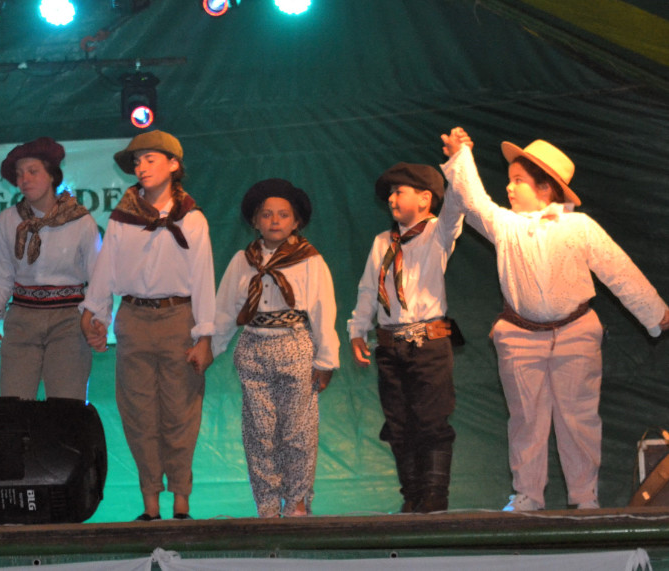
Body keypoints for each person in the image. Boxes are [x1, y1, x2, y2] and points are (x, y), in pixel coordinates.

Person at [441, 127, 669, 511]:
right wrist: (460, 155)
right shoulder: (506, 225)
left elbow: (618, 270)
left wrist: (656, 312)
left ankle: (584, 498)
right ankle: (528, 495)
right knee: (525, 419)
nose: (509, 187)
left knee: (578, 417)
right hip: (519, 334)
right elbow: (475, 201)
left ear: (546, 188)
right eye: (510, 180)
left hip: (575, 331)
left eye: (518, 180)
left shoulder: (579, 227)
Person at [80, 130, 216, 522]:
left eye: (150, 159)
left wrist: (204, 336)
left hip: (179, 319)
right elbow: (106, 269)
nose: (141, 167)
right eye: (137, 162)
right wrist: (95, 313)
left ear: (174, 165)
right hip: (134, 319)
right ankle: (150, 502)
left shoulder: (192, 218)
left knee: (180, 411)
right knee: (139, 413)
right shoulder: (122, 218)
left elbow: (203, 278)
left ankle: (181, 499)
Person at [212, 179, 339, 517]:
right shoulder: (243, 260)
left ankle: (296, 502)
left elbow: (324, 309)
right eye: (267, 214)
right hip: (253, 347)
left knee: (297, 431)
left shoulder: (310, 260)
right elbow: (225, 309)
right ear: (255, 221)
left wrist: (325, 360)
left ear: (296, 222)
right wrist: (210, 348)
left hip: (294, 346)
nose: (275, 220)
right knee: (259, 432)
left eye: (283, 214)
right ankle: (267, 505)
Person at [348, 163, 466, 513]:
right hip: (390, 346)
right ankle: (411, 496)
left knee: (432, 421)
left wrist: (459, 162)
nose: (391, 199)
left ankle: (434, 497)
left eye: (399, 191)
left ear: (425, 198)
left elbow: (456, 207)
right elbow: (369, 288)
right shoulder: (382, 242)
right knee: (398, 424)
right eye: (389, 193)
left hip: (428, 344)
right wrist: (357, 329)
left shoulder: (438, 232)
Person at [0, 137, 100, 400]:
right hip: (22, 319)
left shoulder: (81, 221)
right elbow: (3, 276)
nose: (25, 179)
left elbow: (98, 279)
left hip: (69, 320)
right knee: (15, 405)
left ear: (52, 175)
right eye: (20, 174)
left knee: (66, 407)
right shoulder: (9, 219)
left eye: (33, 171)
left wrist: (96, 319)